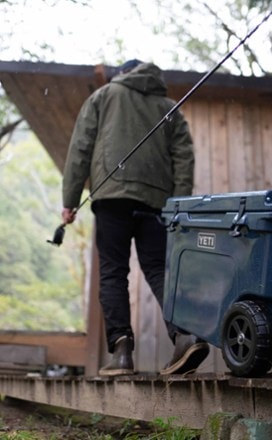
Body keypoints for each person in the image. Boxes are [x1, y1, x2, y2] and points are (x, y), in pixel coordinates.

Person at [62, 60, 209, 376]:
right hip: (156, 202)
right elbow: (184, 156)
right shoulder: (169, 106)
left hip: (111, 198)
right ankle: (185, 336)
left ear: (122, 74)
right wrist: (178, 203)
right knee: (158, 268)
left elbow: (81, 148)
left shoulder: (104, 95)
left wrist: (69, 200)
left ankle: (122, 352)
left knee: (113, 271)